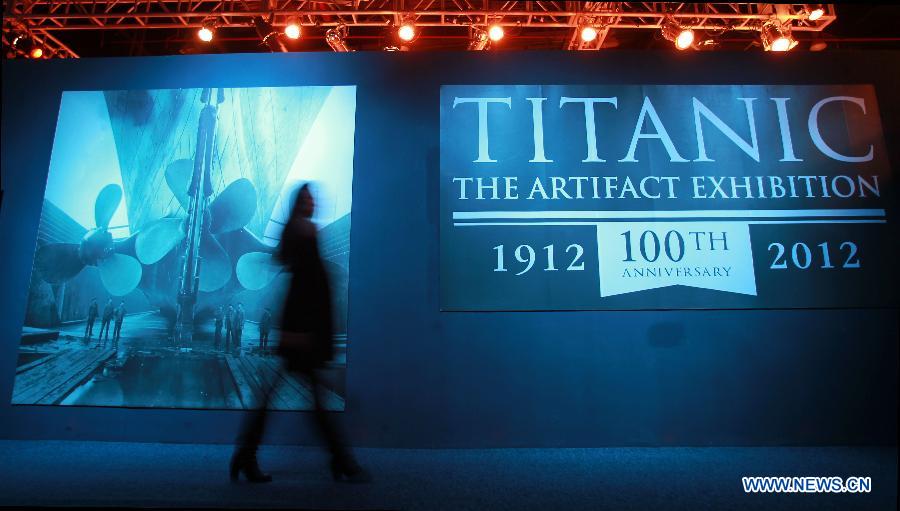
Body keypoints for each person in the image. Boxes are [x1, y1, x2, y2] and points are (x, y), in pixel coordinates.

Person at [231, 183, 368, 484]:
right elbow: (305, 288)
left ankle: (246, 455)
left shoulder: (304, 231)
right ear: (297, 204)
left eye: (312, 199)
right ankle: (341, 461)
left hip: (306, 328)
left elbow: (302, 281)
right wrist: (299, 331)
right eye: (305, 199)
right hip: (303, 330)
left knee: (286, 400)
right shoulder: (300, 232)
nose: (311, 203)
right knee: (312, 403)